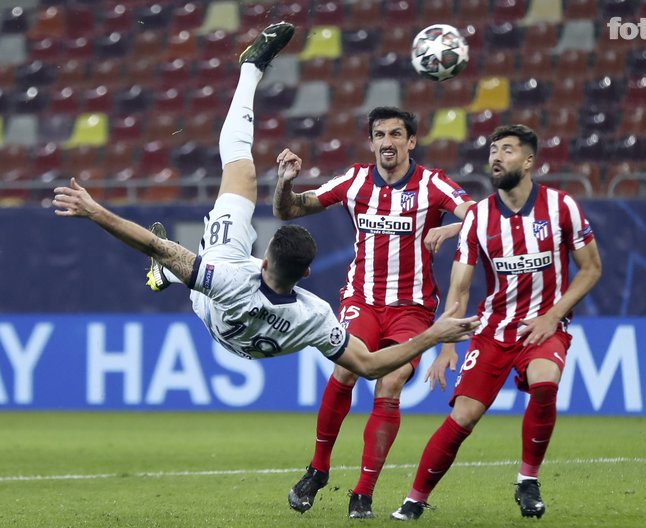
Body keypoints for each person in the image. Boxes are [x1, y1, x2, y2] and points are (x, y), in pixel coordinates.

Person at [51, 23, 479, 384]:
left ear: (262, 259)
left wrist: (94, 211)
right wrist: (433, 336)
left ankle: (250, 71)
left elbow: (151, 243)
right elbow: (368, 366)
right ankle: (168, 276)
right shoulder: (315, 314)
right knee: (192, 251)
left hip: (219, 303)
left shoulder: (231, 277)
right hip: (250, 341)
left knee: (238, 174)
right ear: (307, 274)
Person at [390, 124, 602, 522]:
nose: (496, 157)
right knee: (463, 417)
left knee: (544, 383)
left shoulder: (561, 207)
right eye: (493, 150)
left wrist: (553, 316)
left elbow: (591, 269)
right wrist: (448, 344)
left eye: (507, 150)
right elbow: (460, 287)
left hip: (543, 327)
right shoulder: (478, 218)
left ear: (528, 161)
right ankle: (414, 499)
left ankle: (528, 481)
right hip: (492, 331)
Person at [275, 107, 475, 518]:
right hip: (361, 300)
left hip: (412, 310)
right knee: (346, 370)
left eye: (396, 134)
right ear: (370, 142)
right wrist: (284, 183)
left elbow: (483, 217)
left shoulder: (433, 185)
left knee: (392, 382)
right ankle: (318, 468)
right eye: (380, 134)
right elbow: (290, 210)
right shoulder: (354, 181)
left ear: (411, 141)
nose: (387, 141)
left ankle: (363, 493)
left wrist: (450, 228)